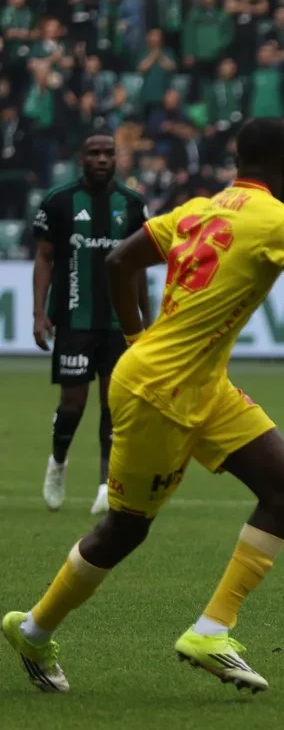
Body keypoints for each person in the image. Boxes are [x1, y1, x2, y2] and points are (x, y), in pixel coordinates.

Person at [2, 119, 284, 693]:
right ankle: (33, 628)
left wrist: (137, 339)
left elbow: (118, 262)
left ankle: (212, 630)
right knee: (125, 530)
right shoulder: (282, 221)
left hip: (202, 384)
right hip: (160, 392)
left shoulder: (196, 207)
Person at [32, 134, 150, 515]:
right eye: (94, 153)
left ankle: (105, 485)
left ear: (118, 158)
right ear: (80, 157)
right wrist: (39, 313)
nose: (101, 159)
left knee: (113, 403)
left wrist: (146, 323)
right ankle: (58, 463)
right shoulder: (59, 202)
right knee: (72, 403)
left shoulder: (132, 205)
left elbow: (138, 268)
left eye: (108, 153)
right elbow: (45, 258)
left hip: (119, 323)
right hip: (73, 320)